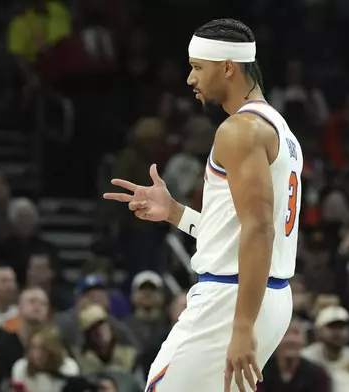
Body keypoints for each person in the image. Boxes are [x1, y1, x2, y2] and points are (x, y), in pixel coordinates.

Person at [104, 18, 303, 392]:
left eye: (197, 67)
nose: (190, 79)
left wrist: (242, 326)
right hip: (264, 292)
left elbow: (260, 228)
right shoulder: (279, 128)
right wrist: (175, 213)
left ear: (227, 67)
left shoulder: (239, 130)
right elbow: (241, 228)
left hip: (233, 296)